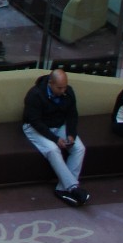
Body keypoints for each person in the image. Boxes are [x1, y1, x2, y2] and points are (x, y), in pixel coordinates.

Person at [23, 66, 89, 206]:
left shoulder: (68, 92)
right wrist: (56, 139)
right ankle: (73, 187)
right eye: (59, 88)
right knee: (53, 149)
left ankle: (63, 189)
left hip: (59, 125)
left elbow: (72, 115)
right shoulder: (35, 94)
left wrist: (71, 134)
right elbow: (35, 121)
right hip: (35, 127)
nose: (63, 91)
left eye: (64, 87)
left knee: (79, 148)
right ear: (50, 83)